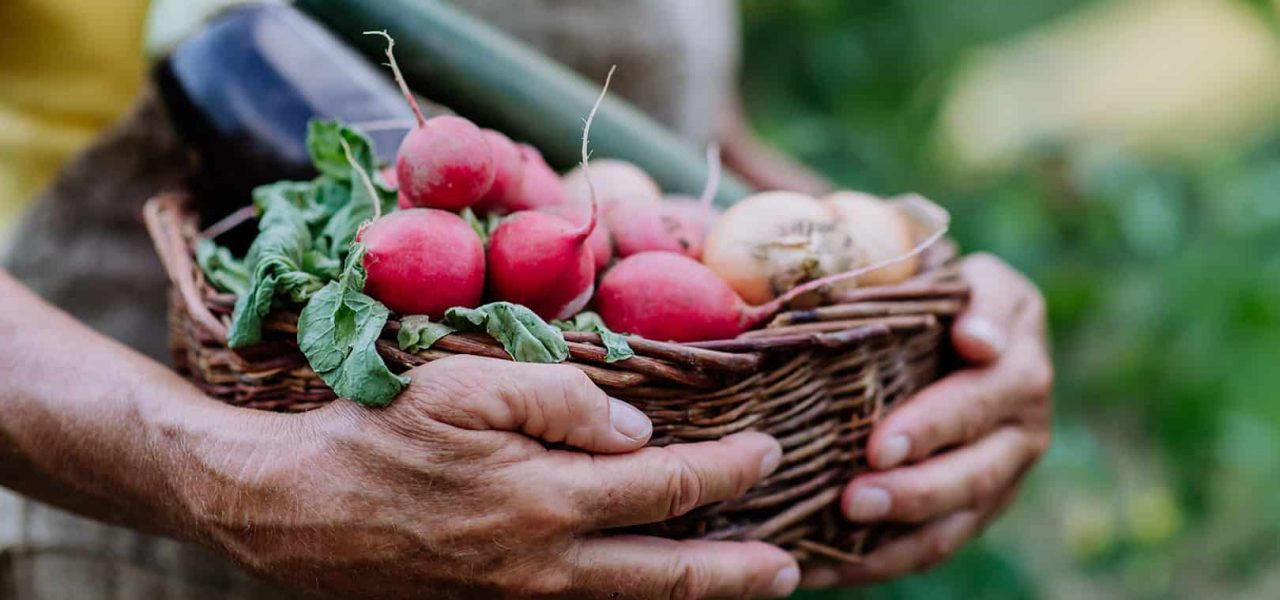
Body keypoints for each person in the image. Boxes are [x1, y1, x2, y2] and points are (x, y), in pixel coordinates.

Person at [0, 1, 1053, 598]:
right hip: (157, 549)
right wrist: (226, 478)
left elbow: (697, 157)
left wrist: (916, 289)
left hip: (660, 544)